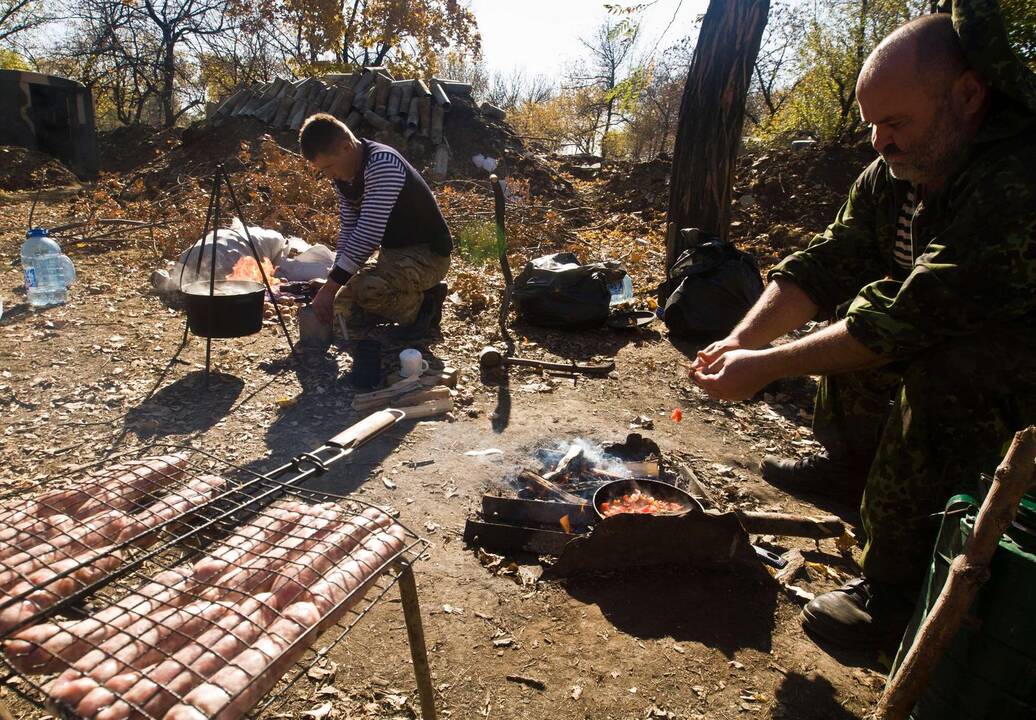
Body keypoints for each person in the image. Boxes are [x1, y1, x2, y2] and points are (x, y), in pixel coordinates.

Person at [690, 11, 1036, 649]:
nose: (881, 142)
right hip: (933, 328)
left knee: (943, 371)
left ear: (967, 96)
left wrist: (770, 366)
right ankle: (853, 471)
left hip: (1013, 380)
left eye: (897, 123)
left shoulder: (1016, 179)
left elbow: (909, 315)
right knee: (847, 320)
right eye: (872, 124)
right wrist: (747, 341)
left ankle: (898, 593)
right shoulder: (897, 170)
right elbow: (826, 262)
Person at [298, 113, 452, 373]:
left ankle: (424, 306)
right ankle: (405, 299)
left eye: (328, 167)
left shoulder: (382, 164)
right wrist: (333, 282)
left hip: (426, 257)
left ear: (346, 147)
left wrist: (330, 287)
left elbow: (368, 234)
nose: (328, 175)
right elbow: (349, 230)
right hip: (393, 257)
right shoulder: (344, 177)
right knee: (342, 310)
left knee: (365, 290)